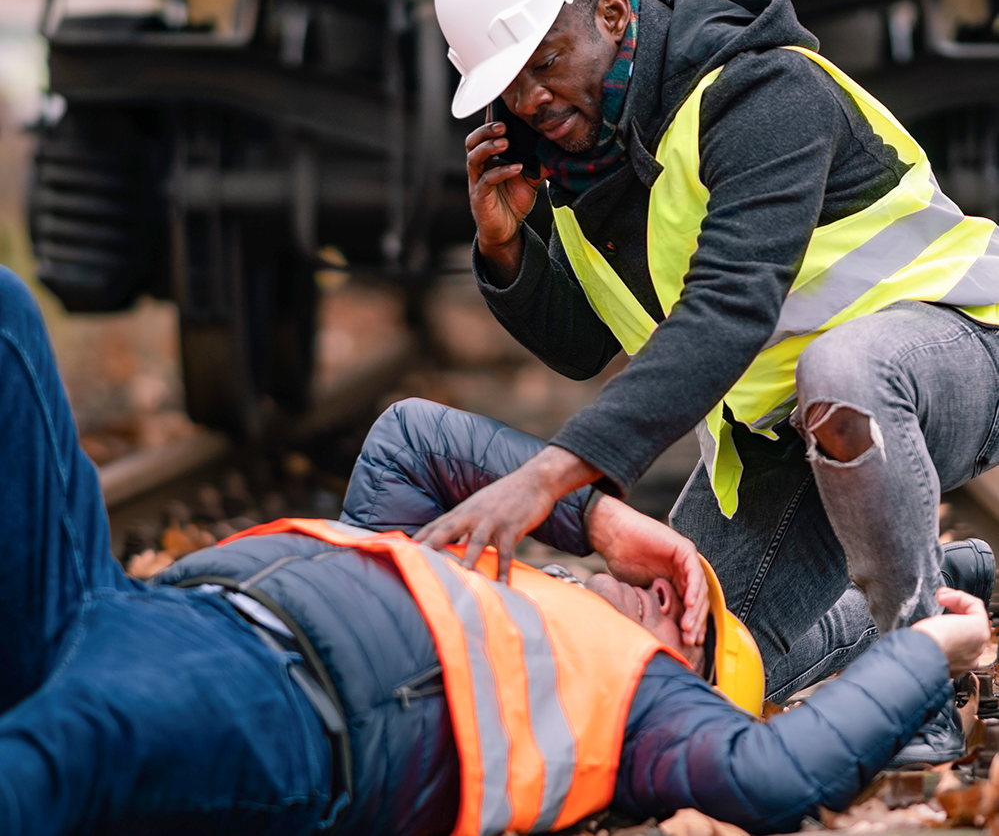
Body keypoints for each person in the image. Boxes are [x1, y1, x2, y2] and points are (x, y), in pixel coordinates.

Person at [0, 262, 991, 835]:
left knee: (40, 766)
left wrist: (924, 650)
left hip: (265, 715)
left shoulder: (636, 722)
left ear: (682, 681)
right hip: (119, 611)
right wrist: (602, 517)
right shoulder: (455, 567)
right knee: (10, 313)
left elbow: (777, 773)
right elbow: (409, 437)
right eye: (686, 594)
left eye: (689, 631)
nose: (670, 599)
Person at [427, 0, 999, 760]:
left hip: (955, 356)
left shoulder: (762, 89)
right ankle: (944, 576)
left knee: (841, 370)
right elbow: (586, 345)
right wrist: (507, 252)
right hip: (782, 439)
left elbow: (729, 307)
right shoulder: (582, 157)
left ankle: (915, 674)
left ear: (613, 14)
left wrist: (547, 476)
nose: (531, 97)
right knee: (684, 668)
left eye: (546, 61)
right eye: (507, 83)